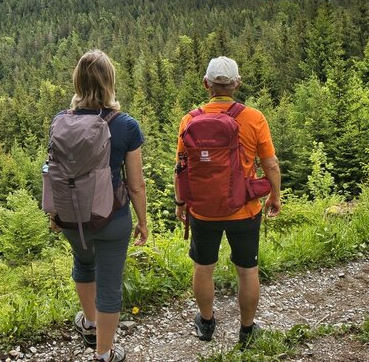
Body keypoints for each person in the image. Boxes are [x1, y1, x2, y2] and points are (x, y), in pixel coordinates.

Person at [174, 56, 282, 348]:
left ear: (206, 84)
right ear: (237, 84)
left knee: (203, 267)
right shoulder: (253, 118)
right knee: (247, 270)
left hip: (203, 210)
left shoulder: (190, 119)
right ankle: (246, 331)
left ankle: (206, 324)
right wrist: (275, 194)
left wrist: (181, 202)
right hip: (244, 209)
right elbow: (270, 163)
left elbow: (181, 167)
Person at [49, 49, 148, 362]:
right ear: (110, 82)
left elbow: (55, 169)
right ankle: (104, 354)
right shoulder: (126, 126)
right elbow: (135, 184)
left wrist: (54, 213)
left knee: (83, 263)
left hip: (69, 216)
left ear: (77, 82)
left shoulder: (60, 121)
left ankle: (89, 323)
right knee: (109, 285)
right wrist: (143, 221)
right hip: (111, 219)